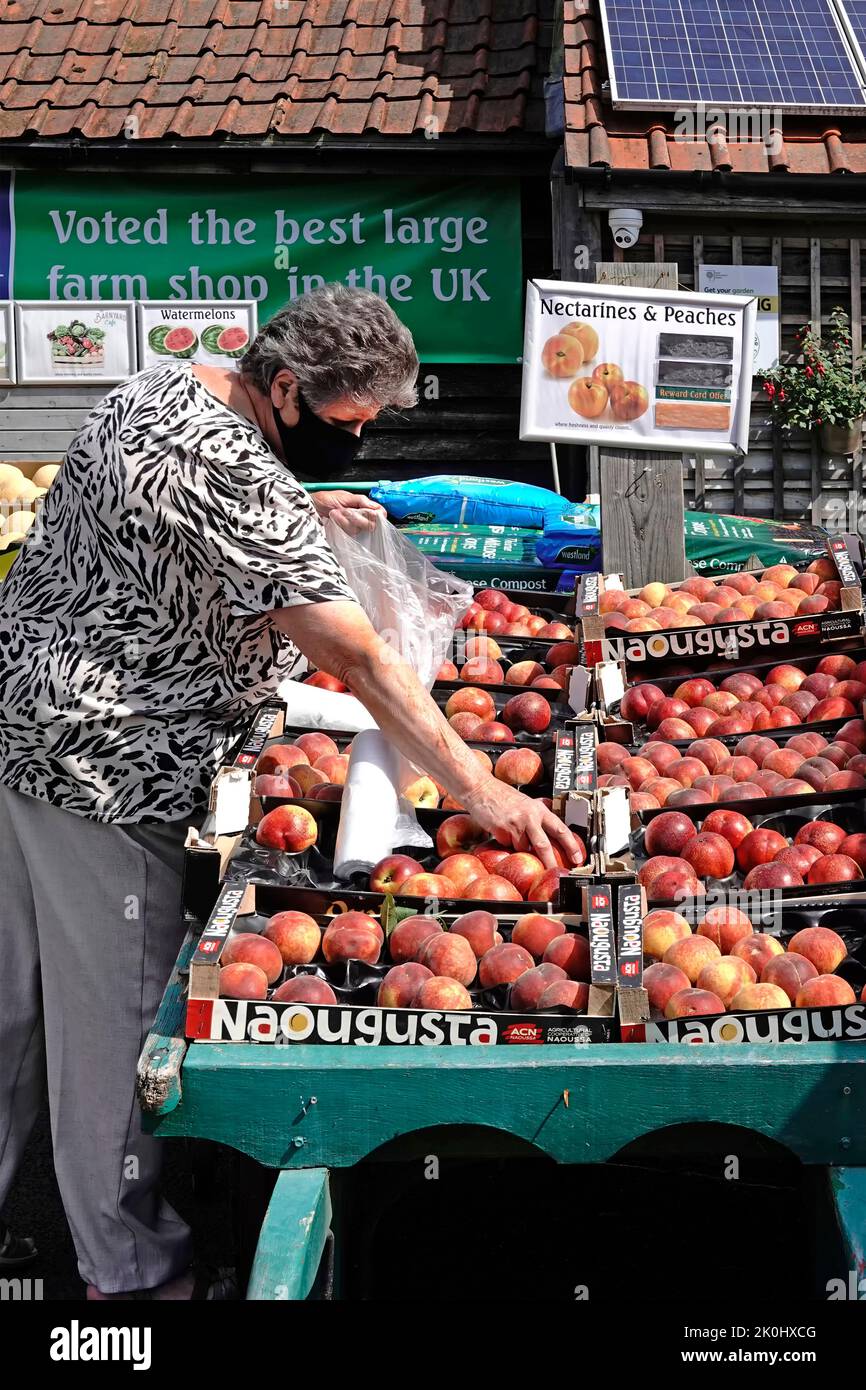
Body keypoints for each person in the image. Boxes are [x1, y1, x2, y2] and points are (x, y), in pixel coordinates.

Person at [0, 284, 581, 1299]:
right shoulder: (241, 485)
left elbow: (164, 502)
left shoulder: (154, 391)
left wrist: (303, 502)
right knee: (110, 1033)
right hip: (107, 769)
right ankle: (131, 1278)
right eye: (348, 424)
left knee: (11, 1009)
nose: (356, 442)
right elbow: (355, 656)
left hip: (20, 720)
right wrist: (475, 785)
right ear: (283, 386)